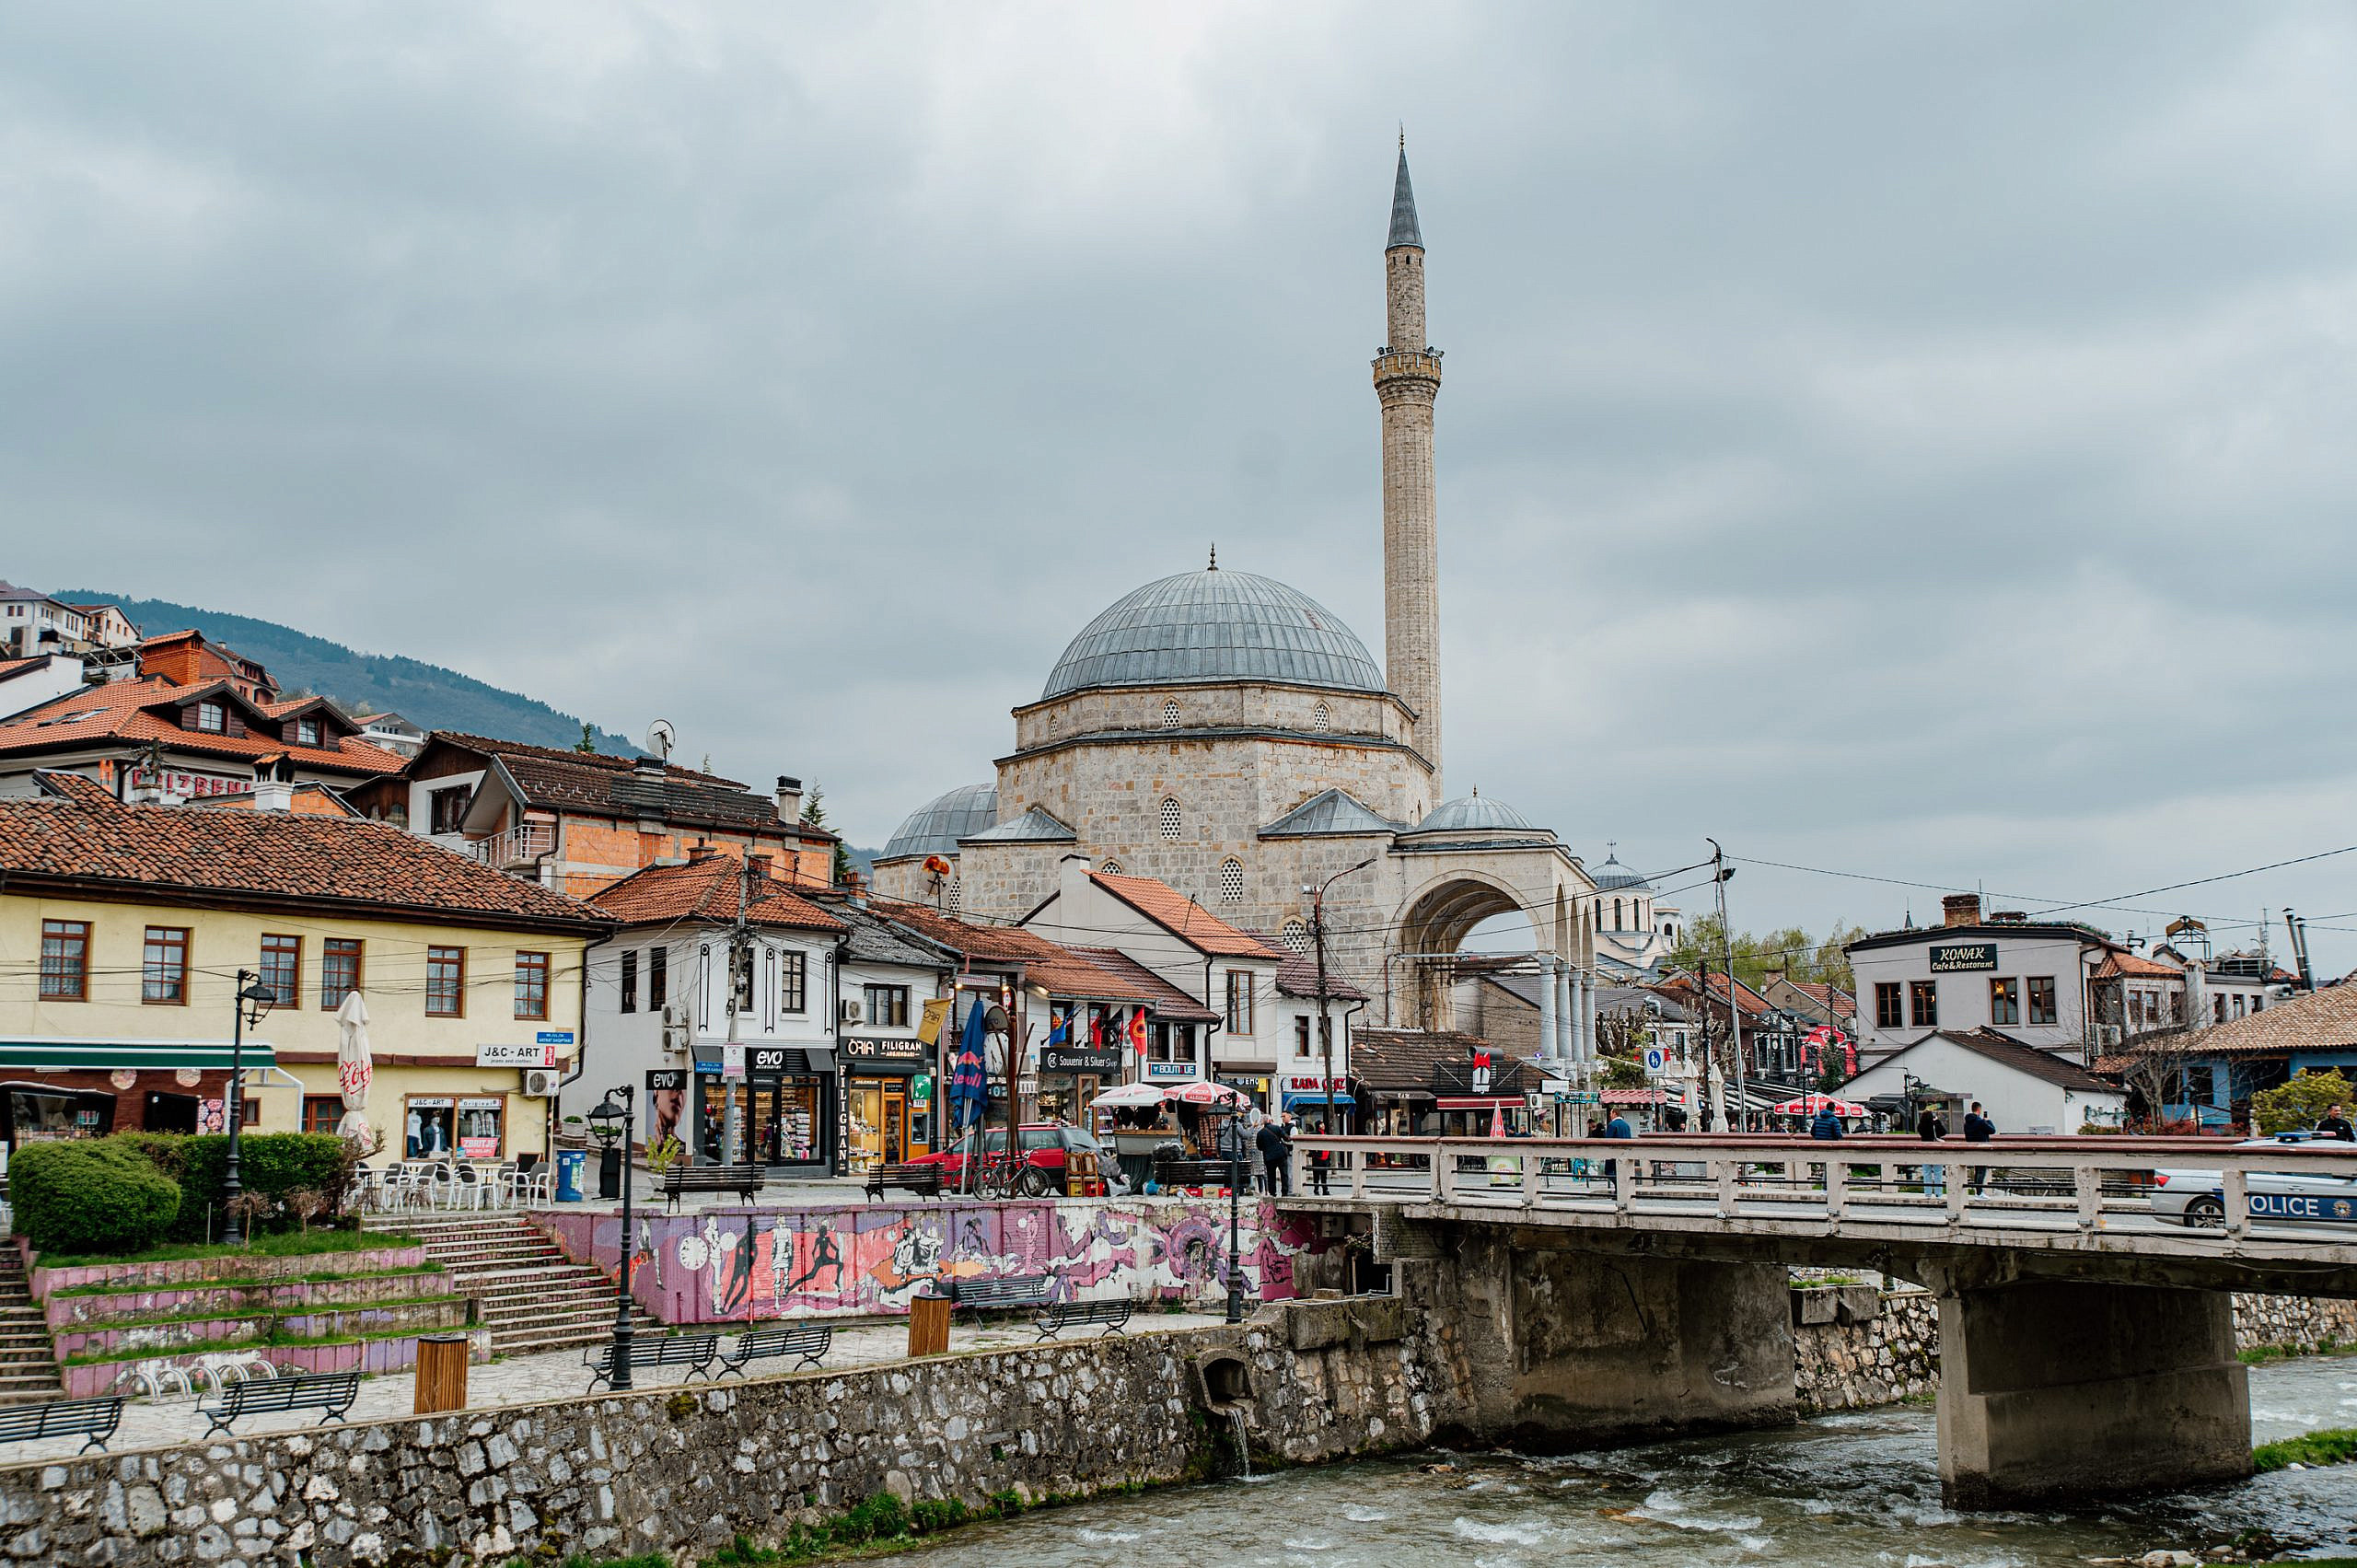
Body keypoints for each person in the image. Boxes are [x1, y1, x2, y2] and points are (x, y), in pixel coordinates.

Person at [1257, 1113, 1294, 1197]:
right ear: (1270, 1120)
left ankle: (1273, 1193)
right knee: (1284, 1174)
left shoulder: (1260, 1133)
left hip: (1269, 1157)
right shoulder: (1277, 1128)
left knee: (1271, 1176)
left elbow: (1259, 1147)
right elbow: (1286, 1138)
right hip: (1280, 1155)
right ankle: (1284, 1192)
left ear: (1263, 1122)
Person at [1916, 1103, 1948, 1197]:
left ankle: (1928, 1193)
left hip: (1925, 1150)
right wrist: (1937, 1121)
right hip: (1935, 1149)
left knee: (1926, 1172)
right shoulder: (1934, 1124)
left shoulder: (1920, 1126)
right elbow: (1943, 1132)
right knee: (1938, 1172)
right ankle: (1938, 1193)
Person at [1962, 1100, 1994, 1192]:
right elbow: (1992, 1130)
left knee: (1977, 1170)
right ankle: (1979, 1192)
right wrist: (1988, 1121)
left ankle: (1978, 1192)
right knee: (1982, 1170)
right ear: (1979, 1110)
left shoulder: (1967, 1123)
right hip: (1982, 1147)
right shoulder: (1980, 1122)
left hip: (1972, 1148)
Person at [1601, 1110, 1634, 1185]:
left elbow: (1608, 1140)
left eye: (1611, 1113)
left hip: (1613, 1152)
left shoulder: (1612, 1125)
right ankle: (1619, 1187)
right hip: (1625, 1152)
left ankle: (1619, 1185)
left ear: (1615, 1113)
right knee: (1620, 1171)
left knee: (1608, 1171)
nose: (1610, 1115)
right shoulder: (1626, 1125)